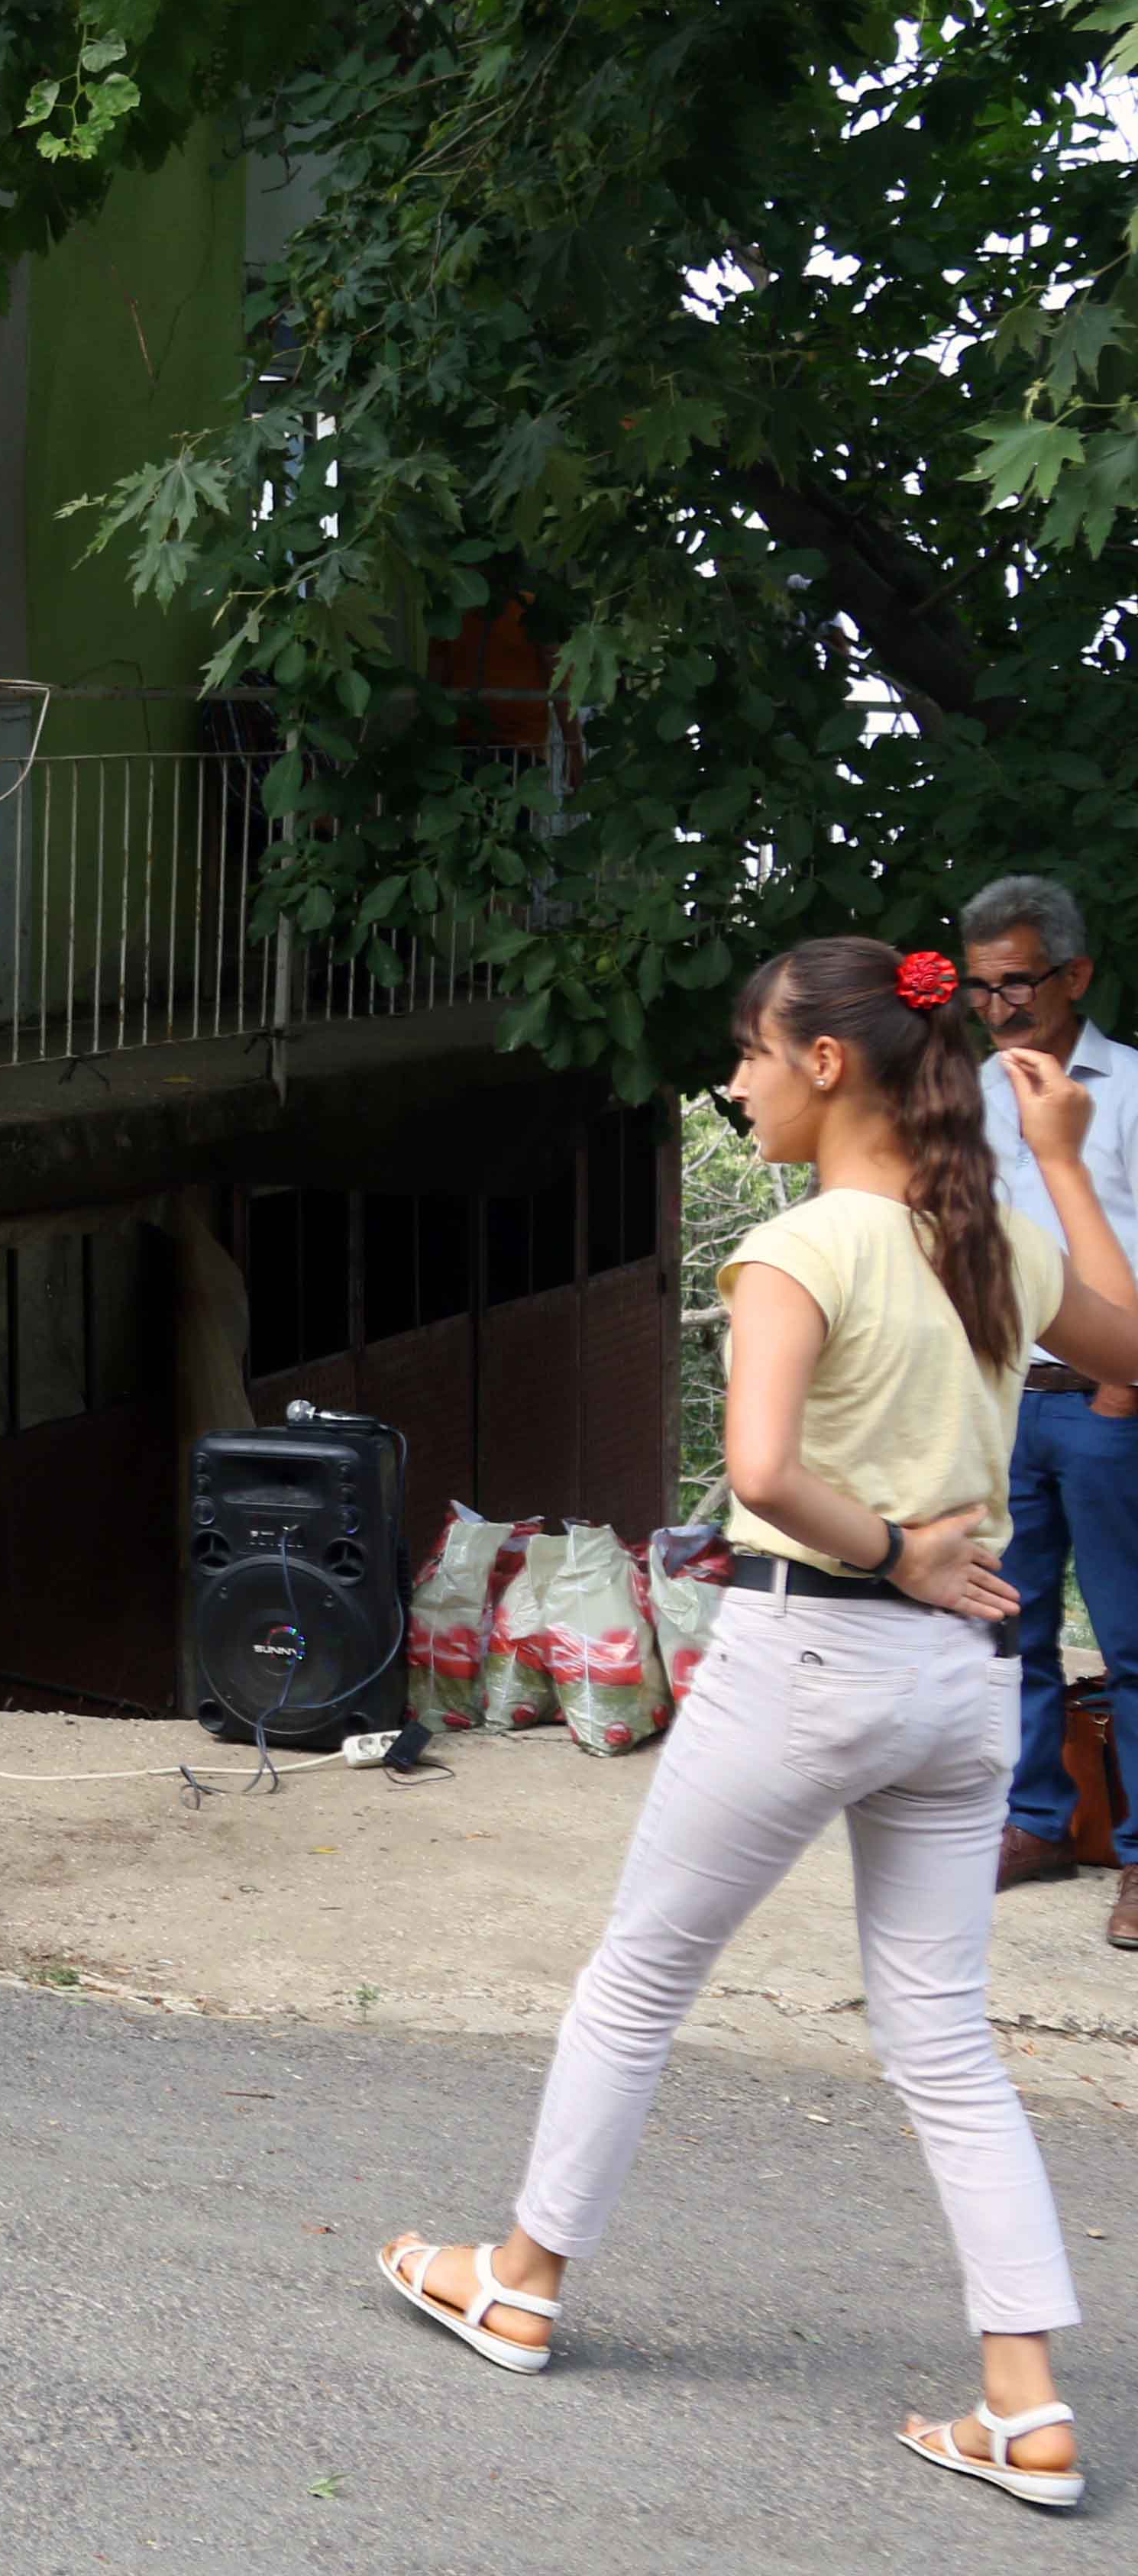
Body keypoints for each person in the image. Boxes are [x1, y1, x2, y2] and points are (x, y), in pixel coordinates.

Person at [380, 939, 1138, 2513]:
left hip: (815, 1649)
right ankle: (1026, 2403)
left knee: (639, 1977)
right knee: (944, 2039)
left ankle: (518, 2282)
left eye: (750, 1053)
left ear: (828, 1063)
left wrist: (894, 1546)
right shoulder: (994, 1240)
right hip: (960, 1681)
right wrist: (1062, 1166)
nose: (734, 1083)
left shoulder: (800, 1247)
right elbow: (1129, 1345)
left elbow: (764, 1472)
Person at [960, 875, 1138, 1924]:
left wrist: (1121, 1387)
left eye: (1018, 983)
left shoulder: (1131, 1088)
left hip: (1108, 1400)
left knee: (1131, 1637)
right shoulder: (974, 1095)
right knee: (1007, 1631)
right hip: (1002, 1399)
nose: (999, 1008)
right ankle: (1034, 1820)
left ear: (1075, 975)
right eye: (981, 988)